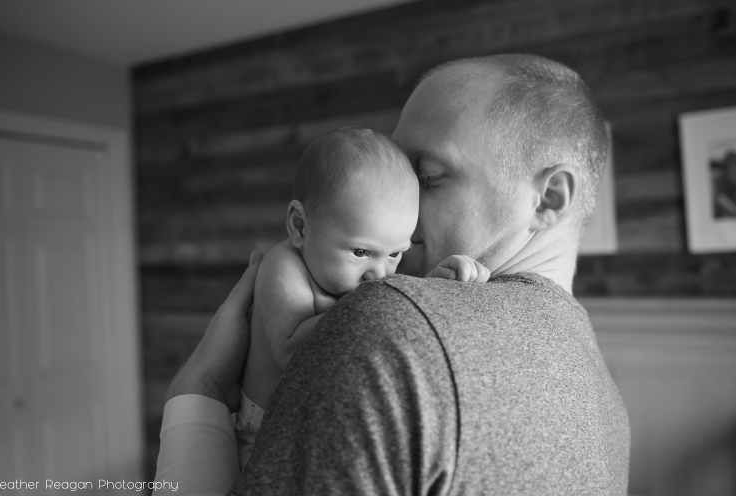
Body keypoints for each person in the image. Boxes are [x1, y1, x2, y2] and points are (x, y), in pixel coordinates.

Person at [156, 53, 631, 495]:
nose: (397, 204)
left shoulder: (384, 325)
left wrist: (199, 389)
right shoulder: (606, 402)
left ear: (549, 197)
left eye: (428, 175)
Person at [235, 125, 490, 467]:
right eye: (360, 252)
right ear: (300, 226)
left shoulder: (367, 276)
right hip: (260, 432)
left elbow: (391, 305)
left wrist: (431, 286)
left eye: (395, 254)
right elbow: (290, 354)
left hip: (316, 425)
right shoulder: (283, 268)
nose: (380, 273)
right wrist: (386, 300)